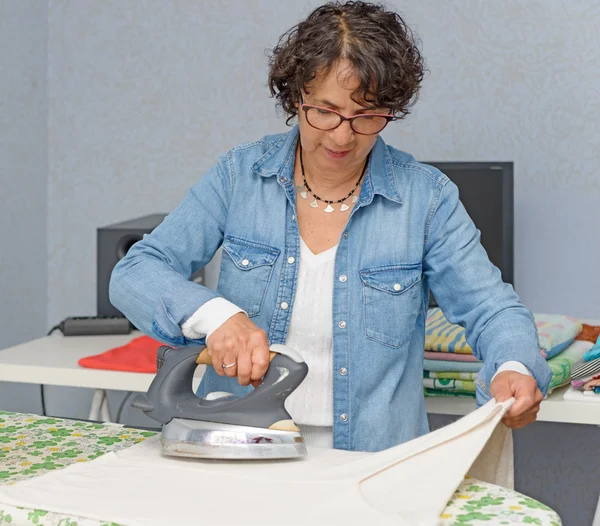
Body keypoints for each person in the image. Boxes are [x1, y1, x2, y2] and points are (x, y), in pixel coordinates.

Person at [109, 1, 551, 452]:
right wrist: (219, 316)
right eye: (325, 111)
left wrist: (512, 366)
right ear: (295, 96)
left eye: (367, 116)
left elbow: (493, 309)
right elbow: (136, 272)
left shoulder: (426, 199)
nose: (342, 136)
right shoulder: (238, 176)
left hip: (373, 463)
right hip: (239, 450)